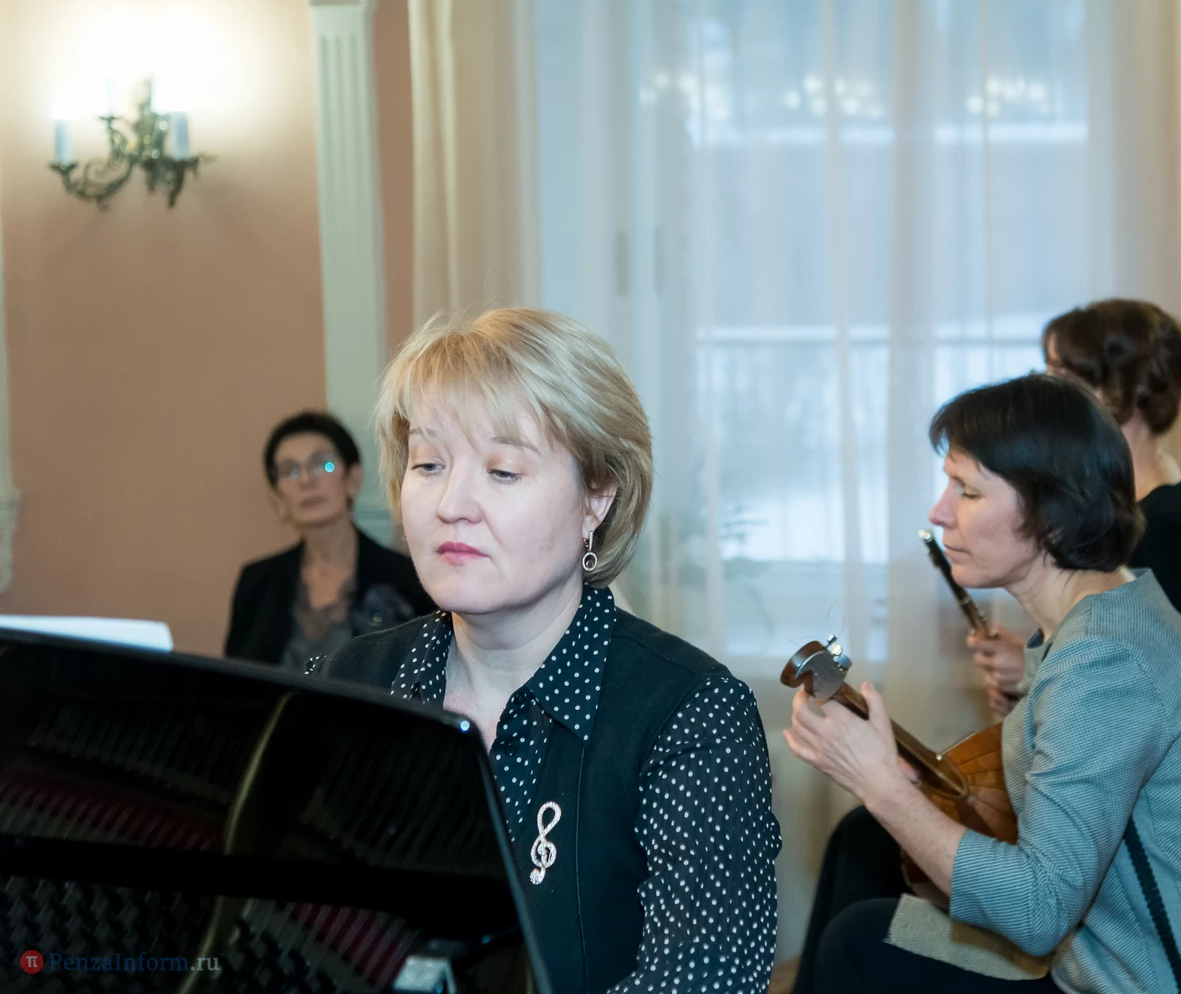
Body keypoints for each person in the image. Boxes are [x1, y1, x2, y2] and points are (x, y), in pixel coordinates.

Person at [309, 308, 781, 994]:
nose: (451, 504)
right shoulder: (348, 681)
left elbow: (702, 979)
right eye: (429, 464)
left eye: (502, 471)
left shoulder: (689, 714)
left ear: (596, 498)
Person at [785, 374, 1181, 994]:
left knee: (861, 942)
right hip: (1096, 955)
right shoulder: (1107, 617)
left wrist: (883, 786)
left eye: (968, 491)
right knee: (866, 912)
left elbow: (1036, 909)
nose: (939, 512)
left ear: (1050, 513)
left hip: (1159, 981)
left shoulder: (1107, 662)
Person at [971, 300, 1181, 712]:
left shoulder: (1167, 530)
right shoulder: (1134, 506)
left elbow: (1168, 691)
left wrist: (1033, 674)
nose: (1048, 391)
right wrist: (1033, 669)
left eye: (1062, 376)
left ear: (1127, 392)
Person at [226, 411, 435, 671]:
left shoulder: (408, 578)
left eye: (322, 465)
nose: (306, 480)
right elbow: (233, 683)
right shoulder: (257, 582)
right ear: (277, 498)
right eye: (290, 471)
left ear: (352, 479)